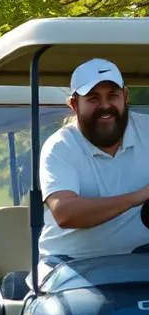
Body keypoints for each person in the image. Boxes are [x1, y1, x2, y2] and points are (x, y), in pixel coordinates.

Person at [40, 59, 149, 283]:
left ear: (125, 96)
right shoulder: (60, 146)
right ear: (73, 104)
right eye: (93, 98)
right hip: (68, 265)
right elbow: (65, 212)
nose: (105, 106)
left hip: (141, 259)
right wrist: (140, 196)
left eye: (112, 95)